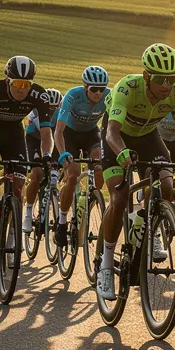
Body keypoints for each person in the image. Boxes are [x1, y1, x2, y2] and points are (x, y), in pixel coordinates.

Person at [96, 44, 175, 301]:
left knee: (166, 186)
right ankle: (106, 262)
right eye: (160, 79)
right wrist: (122, 153)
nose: (166, 85)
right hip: (117, 138)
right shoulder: (127, 87)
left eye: (172, 78)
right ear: (146, 76)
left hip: (148, 137)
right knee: (120, 197)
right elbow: (112, 132)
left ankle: (148, 226)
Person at [0, 56, 55, 254]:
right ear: (8, 80)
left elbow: (45, 133)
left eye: (26, 84)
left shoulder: (40, 95)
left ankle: (11, 234)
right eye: (17, 83)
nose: (22, 88)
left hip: (14, 134)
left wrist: (47, 155)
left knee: (17, 187)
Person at [53, 66, 111, 248]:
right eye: (94, 89)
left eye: (102, 89)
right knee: (73, 175)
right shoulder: (73, 95)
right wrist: (62, 153)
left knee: (100, 168)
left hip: (91, 135)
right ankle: (62, 223)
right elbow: (59, 130)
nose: (98, 94)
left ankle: (87, 203)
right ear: (85, 87)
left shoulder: (109, 96)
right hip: (69, 135)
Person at [23, 87, 62, 231]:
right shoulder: (35, 113)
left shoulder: (62, 113)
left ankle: (49, 203)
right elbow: (45, 136)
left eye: (54, 108)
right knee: (37, 174)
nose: (51, 111)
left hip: (54, 140)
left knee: (54, 175)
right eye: (49, 108)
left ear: (59, 105)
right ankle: (27, 214)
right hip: (34, 139)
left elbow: (60, 136)